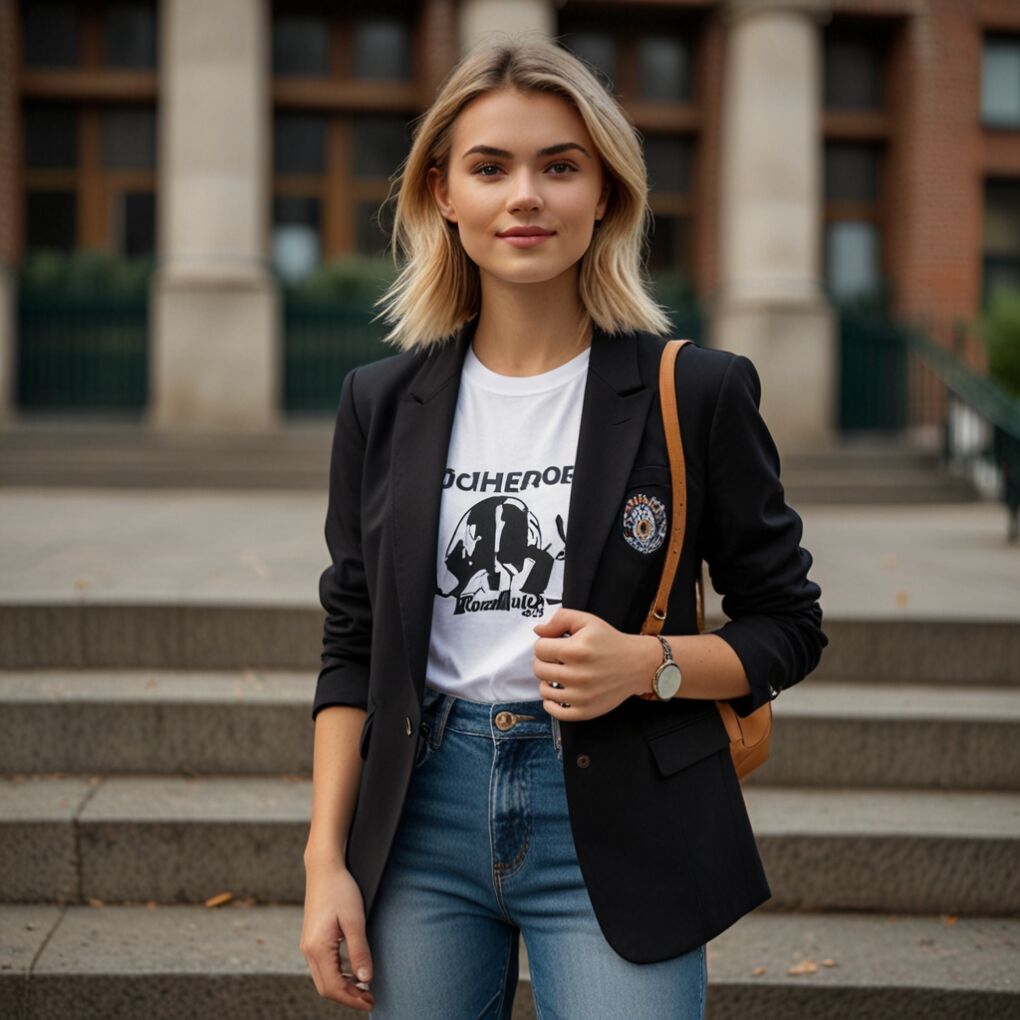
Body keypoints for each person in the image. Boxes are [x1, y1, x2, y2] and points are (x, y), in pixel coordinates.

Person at [300, 36, 828, 1019]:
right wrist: (325, 860)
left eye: (560, 165)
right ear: (443, 194)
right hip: (420, 817)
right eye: (491, 167)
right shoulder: (379, 402)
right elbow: (352, 642)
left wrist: (651, 664)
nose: (526, 196)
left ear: (607, 195)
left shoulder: (696, 390)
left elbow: (787, 623)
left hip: (620, 810)